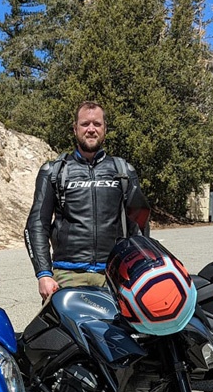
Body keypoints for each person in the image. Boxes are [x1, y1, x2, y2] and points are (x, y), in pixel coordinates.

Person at [24, 101, 149, 300]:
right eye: (85, 124)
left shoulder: (124, 171)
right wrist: (44, 274)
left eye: (97, 124)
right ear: (75, 129)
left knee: (120, 332)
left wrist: (141, 268)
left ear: (105, 129)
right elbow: (37, 225)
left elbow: (139, 226)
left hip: (114, 275)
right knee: (61, 332)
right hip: (66, 276)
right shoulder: (54, 171)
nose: (91, 129)